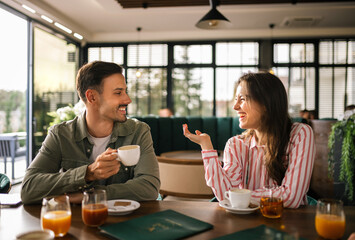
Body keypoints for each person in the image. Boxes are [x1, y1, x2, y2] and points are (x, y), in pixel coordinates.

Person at [21, 61, 160, 204]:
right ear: (92, 97)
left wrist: (91, 196)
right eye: (118, 93)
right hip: (76, 222)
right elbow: (28, 189)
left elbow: (149, 186)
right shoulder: (60, 135)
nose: (128, 99)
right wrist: (88, 173)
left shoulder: (138, 131)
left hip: (126, 222)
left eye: (125, 91)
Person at [183, 72, 315, 208]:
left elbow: (291, 197)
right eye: (235, 99)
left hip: (289, 222)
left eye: (242, 99)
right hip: (245, 221)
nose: (235, 107)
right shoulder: (235, 144)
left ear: (266, 103)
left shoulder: (300, 134)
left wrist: (238, 197)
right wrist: (207, 147)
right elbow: (224, 194)